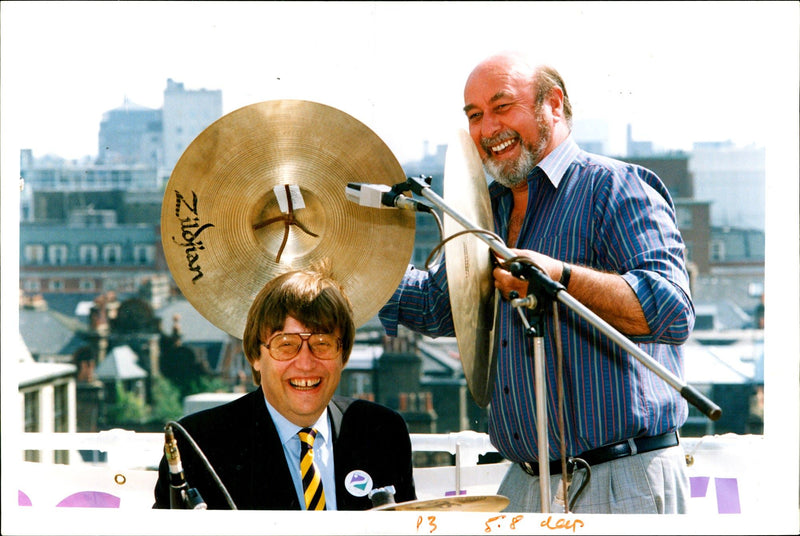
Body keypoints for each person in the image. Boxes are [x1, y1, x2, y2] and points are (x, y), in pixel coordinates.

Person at [379, 52, 694, 514]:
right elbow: (437, 306)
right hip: (527, 484)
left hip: (621, 479)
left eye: (502, 107)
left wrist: (559, 277)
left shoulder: (617, 187)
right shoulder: (488, 211)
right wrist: (350, 267)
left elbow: (670, 309)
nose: (488, 129)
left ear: (554, 104)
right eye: (474, 116)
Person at [154, 267, 416, 510]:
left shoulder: (383, 433)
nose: (305, 363)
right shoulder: (198, 447)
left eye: (322, 343)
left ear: (343, 355)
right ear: (256, 356)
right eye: (286, 344)